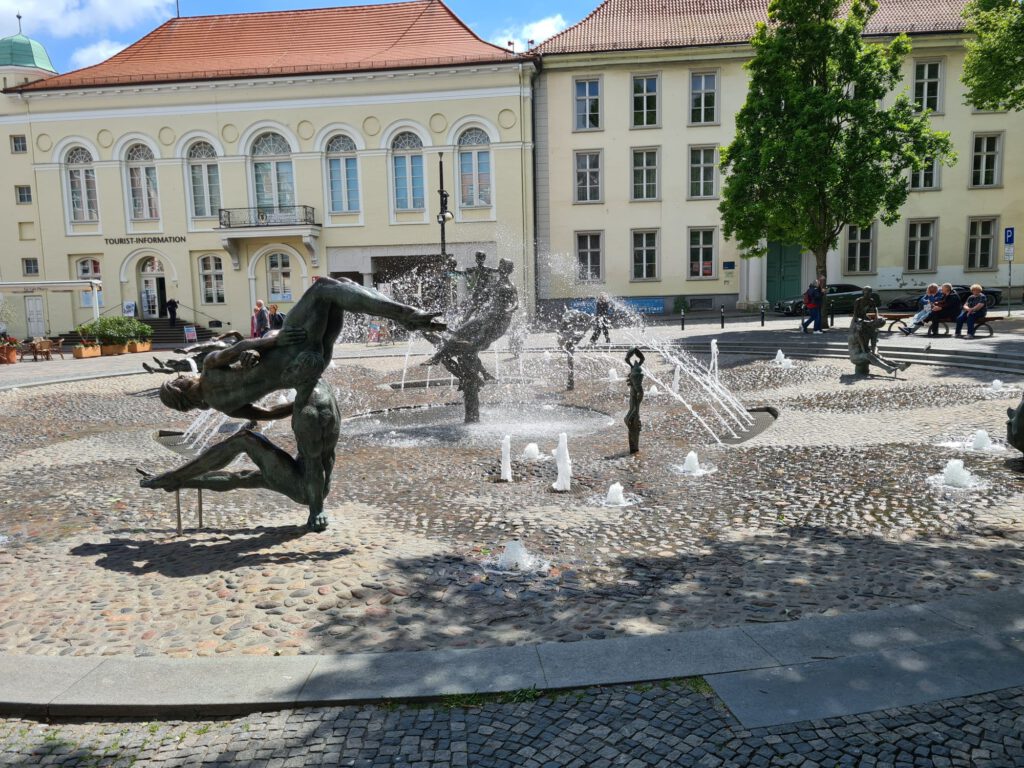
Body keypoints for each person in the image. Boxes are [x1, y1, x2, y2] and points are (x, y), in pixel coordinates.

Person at [157, 276, 445, 420]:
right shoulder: (208, 369)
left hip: (307, 368)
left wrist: (302, 397)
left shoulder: (227, 408)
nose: (181, 376)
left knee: (342, 285)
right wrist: (273, 341)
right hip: (291, 346)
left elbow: (269, 414)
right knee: (324, 289)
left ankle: (406, 318)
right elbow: (241, 346)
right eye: (177, 381)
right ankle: (407, 316)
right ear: (180, 389)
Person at [141, 377, 339, 533]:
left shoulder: (309, 412)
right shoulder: (318, 388)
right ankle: (176, 480)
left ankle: (175, 478)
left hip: (309, 488)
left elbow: (315, 464)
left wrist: (316, 511)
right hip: (309, 480)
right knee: (242, 478)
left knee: (245, 439)